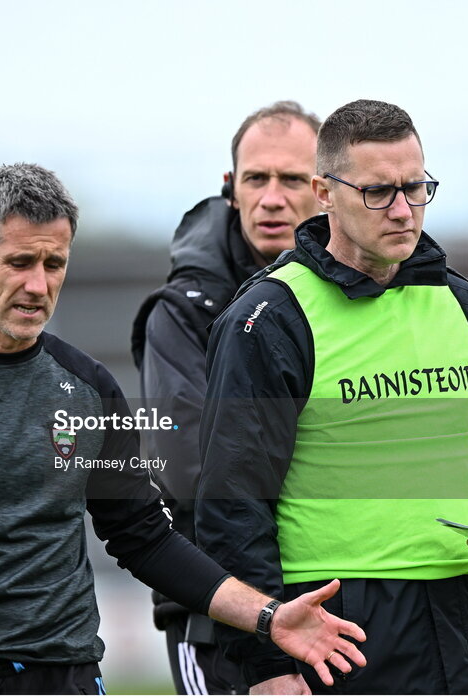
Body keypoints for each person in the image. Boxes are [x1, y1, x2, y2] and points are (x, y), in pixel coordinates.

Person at [0, 163, 366, 694]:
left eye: (54, 263)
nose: (37, 285)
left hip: (68, 673)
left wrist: (268, 616)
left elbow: (146, 539)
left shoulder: (89, 386)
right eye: (20, 262)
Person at [196, 99, 468, 694]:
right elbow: (232, 507)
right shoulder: (268, 319)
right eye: (379, 191)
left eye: (416, 188)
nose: (405, 210)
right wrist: (267, 665)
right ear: (324, 192)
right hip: (334, 632)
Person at [131, 100, 320, 694]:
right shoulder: (181, 314)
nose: (272, 197)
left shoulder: (354, 300)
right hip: (217, 619)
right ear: (229, 189)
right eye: (255, 179)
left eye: (292, 180)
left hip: (328, 598)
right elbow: (191, 469)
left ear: (326, 190)